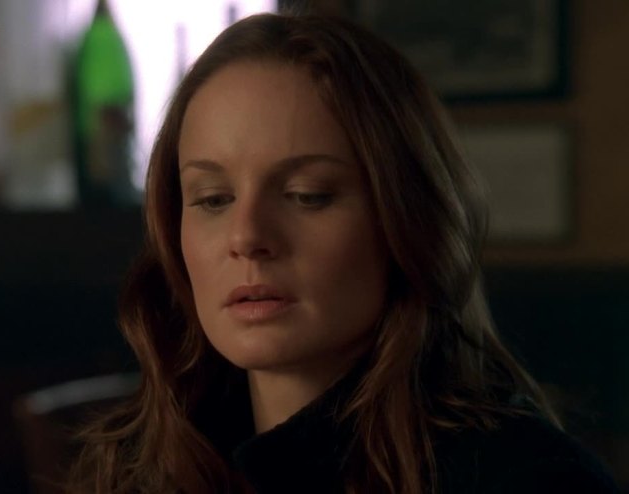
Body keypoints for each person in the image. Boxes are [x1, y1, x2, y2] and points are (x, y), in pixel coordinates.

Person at [69, 13, 618, 494]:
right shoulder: (141, 470)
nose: (247, 236)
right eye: (214, 199)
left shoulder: (530, 479)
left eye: (307, 195)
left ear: (406, 217)